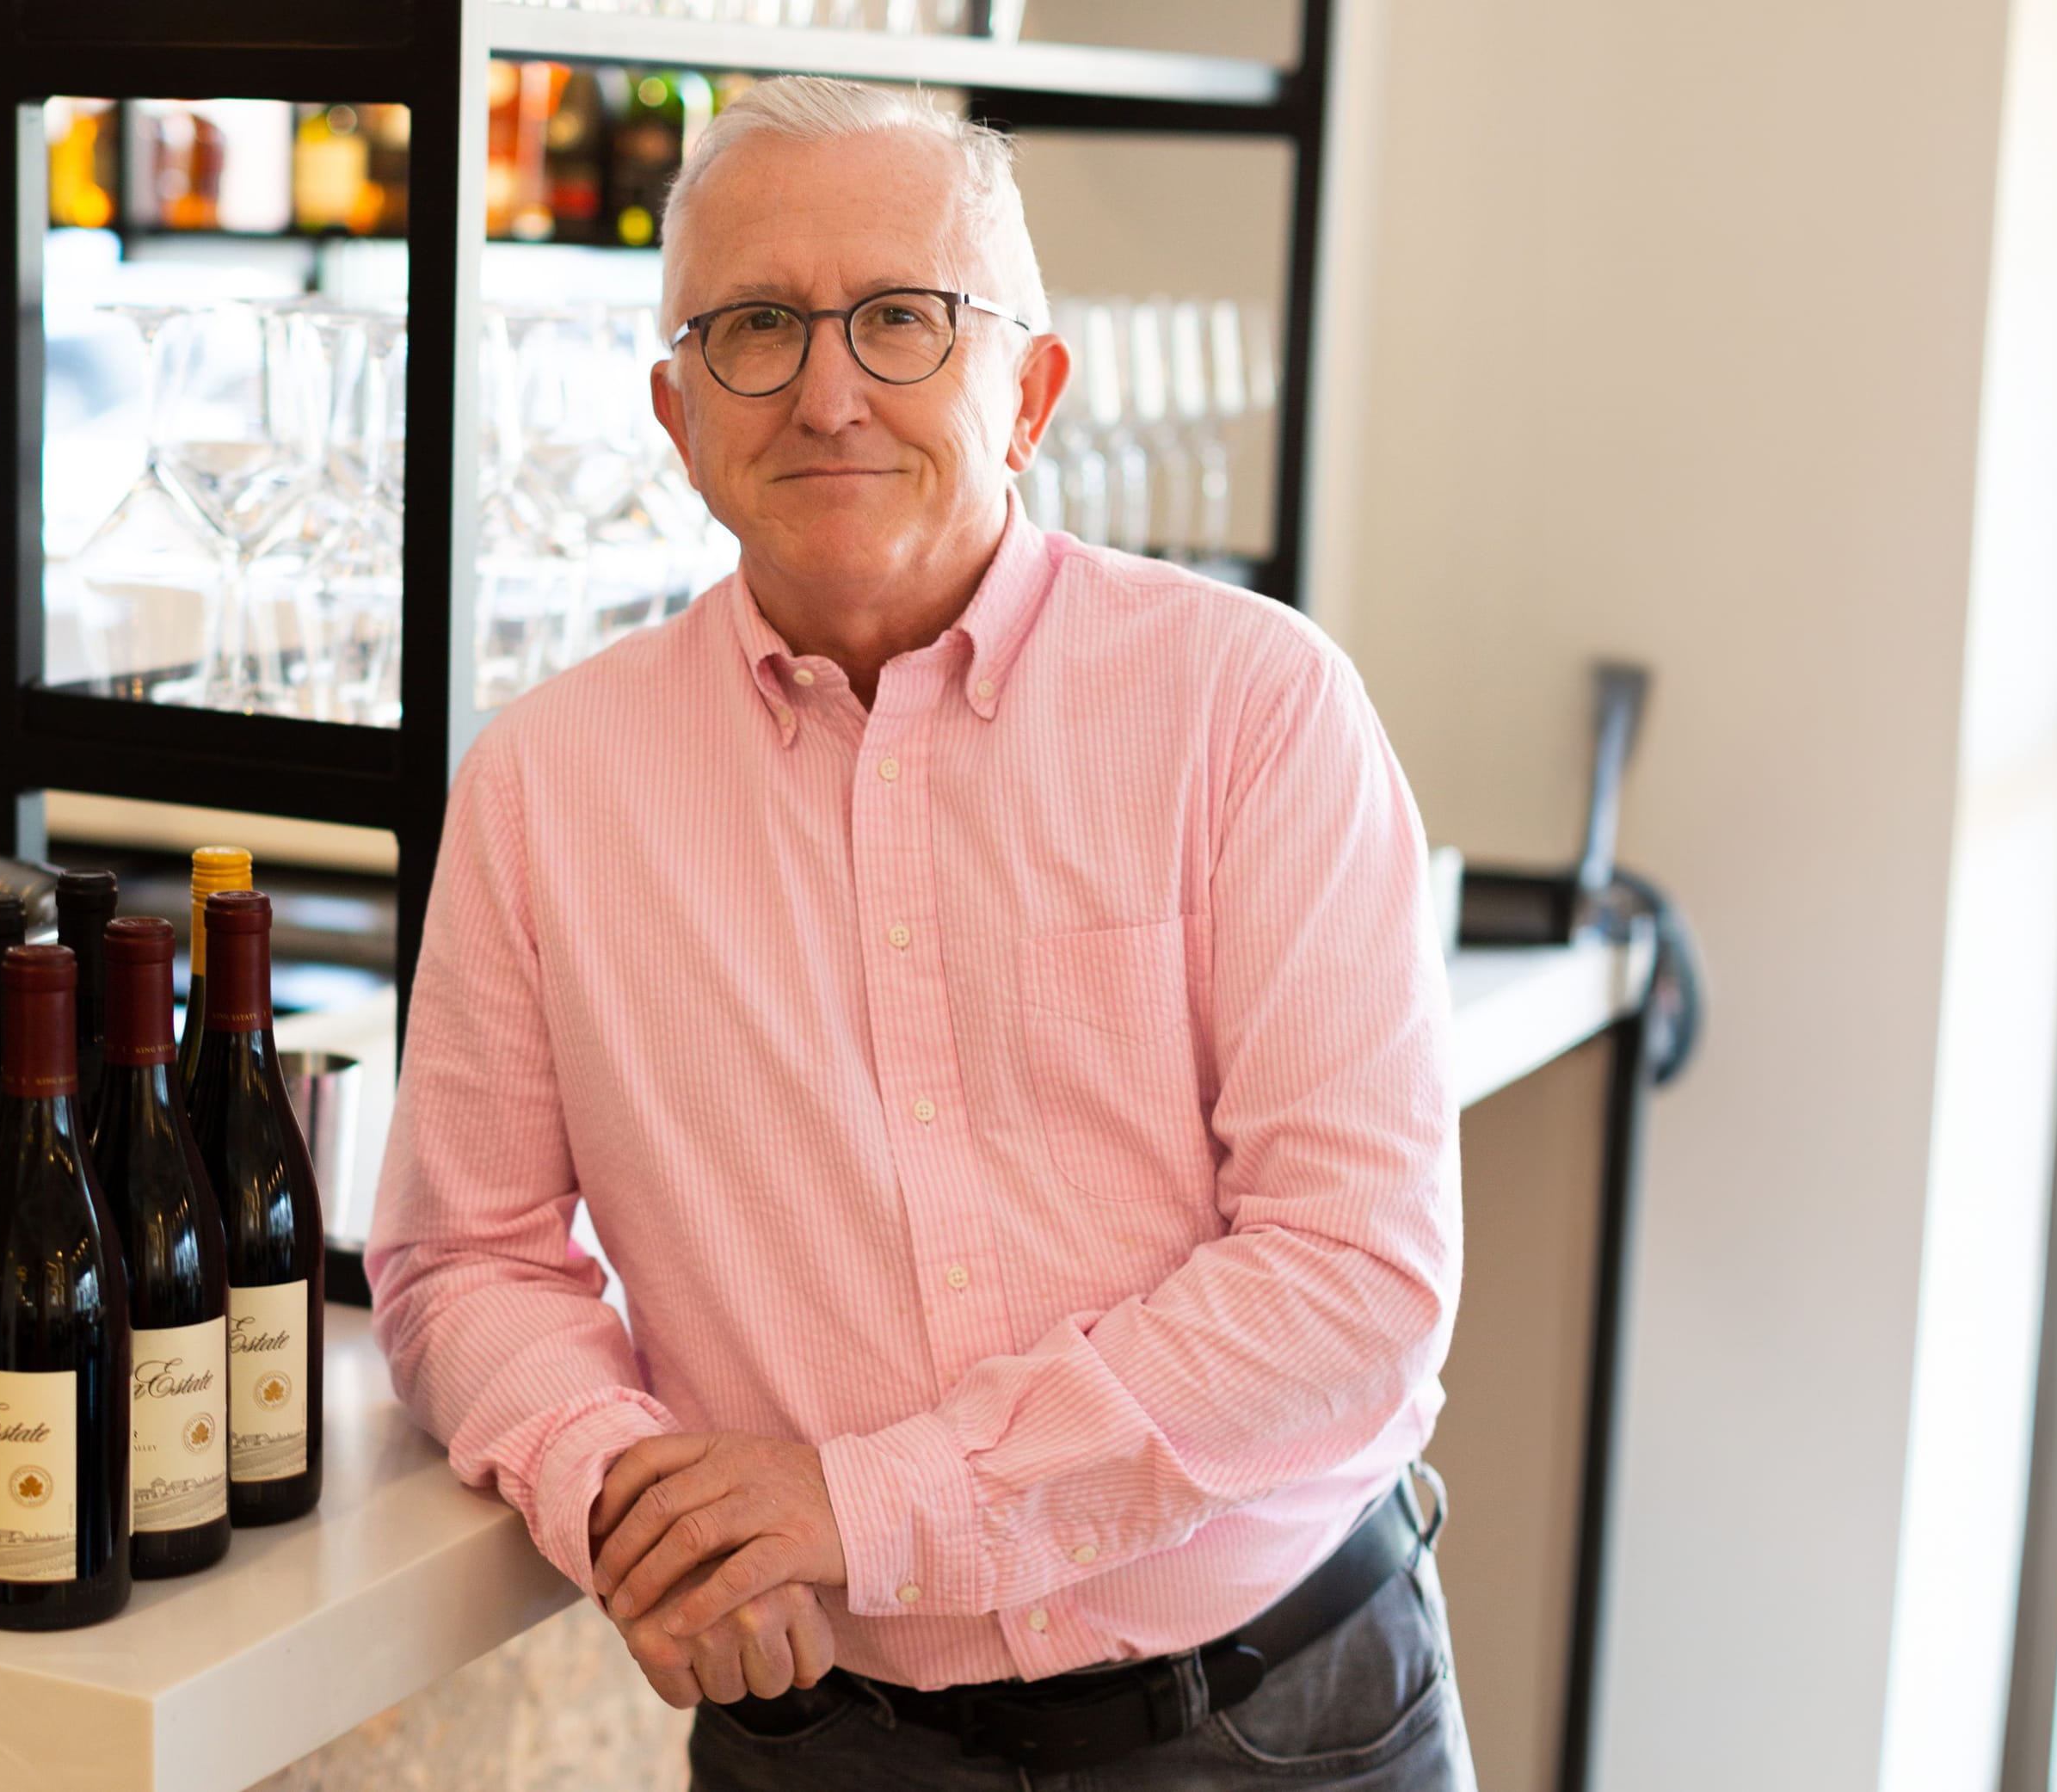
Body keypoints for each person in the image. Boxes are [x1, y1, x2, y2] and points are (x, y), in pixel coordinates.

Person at [373, 74, 1469, 1789]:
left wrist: (859, 1504)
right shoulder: (543, 788)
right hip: (827, 1749)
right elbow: (465, 1264)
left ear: (1027, 390)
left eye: (902, 320)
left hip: (1274, 1721)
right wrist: (626, 1500)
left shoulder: (1251, 708)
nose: (826, 392)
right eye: (752, 327)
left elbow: (1353, 1271)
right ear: (674, 414)